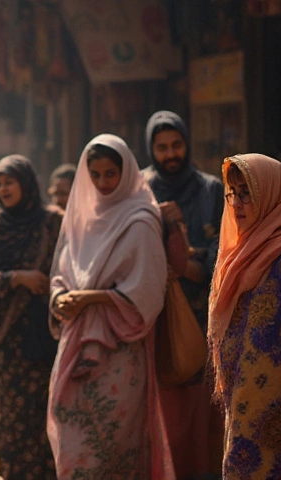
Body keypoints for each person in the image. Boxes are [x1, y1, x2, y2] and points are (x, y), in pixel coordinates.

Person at [47, 135, 173, 479]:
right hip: (76, 343)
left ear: (126, 172)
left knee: (116, 441)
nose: (103, 183)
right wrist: (60, 297)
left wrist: (91, 298)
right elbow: (61, 271)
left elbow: (147, 290)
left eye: (110, 174)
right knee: (71, 431)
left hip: (120, 349)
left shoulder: (142, 220)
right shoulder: (80, 217)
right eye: (96, 175)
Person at [0, 155, 62, 480]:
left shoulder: (53, 222)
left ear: (27, 183)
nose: (4, 189)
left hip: (46, 340)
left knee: (45, 422)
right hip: (4, 345)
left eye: (10, 181)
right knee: (10, 423)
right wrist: (16, 278)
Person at [140, 111, 224, 479]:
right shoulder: (139, 190)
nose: (170, 154)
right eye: (162, 148)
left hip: (204, 316)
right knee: (163, 412)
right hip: (156, 319)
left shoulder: (211, 189)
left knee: (204, 415)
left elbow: (221, 253)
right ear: (150, 149)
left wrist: (185, 257)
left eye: (177, 145)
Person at [207, 154, 281, 478]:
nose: (237, 203)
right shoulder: (238, 258)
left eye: (247, 193)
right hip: (243, 407)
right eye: (232, 193)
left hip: (280, 415)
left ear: (270, 195)